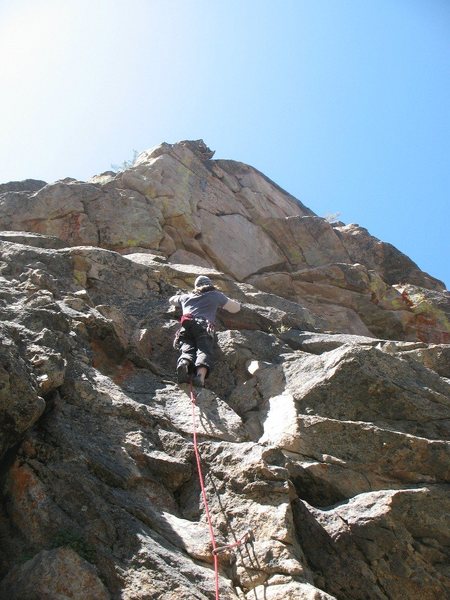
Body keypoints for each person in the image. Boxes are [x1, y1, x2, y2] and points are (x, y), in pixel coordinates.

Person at [169, 275, 240, 387]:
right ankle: (200, 377)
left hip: (186, 326)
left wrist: (185, 296)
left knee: (187, 349)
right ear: (210, 285)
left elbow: (171, 300)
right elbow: (236, 308)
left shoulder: (186, 297)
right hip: (203, 326)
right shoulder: (215, 295)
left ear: (196, 286)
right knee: (204, 350)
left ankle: (184, 363)